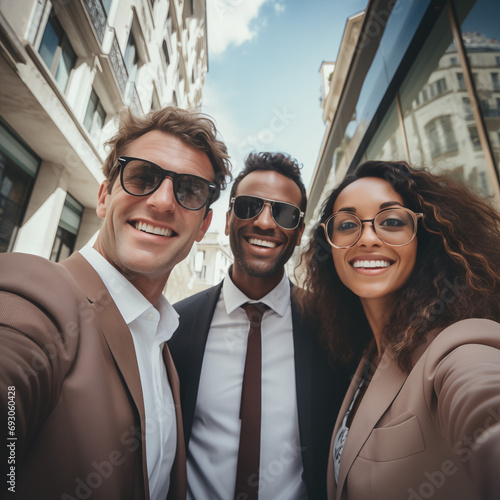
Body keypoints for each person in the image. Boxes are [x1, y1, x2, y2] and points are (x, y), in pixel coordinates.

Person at [0, 107, 231, 500]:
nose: (161, 202)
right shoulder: (33, 294)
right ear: (105, 197)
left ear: (203, 226)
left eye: (189, 190)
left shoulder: (162, 342)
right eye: (142, 177)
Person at [299, 160, 500, 500]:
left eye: (391, 221)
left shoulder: (457, 346)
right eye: (347, 224)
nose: (367, 238)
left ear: (425, 235)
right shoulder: (365, 357)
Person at [168, 152, 350, 500]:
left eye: (283, 213)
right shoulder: (177, 327)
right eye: (249, 206)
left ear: (298, 234)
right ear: (227, 219)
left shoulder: (331, 326)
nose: (265, 223)